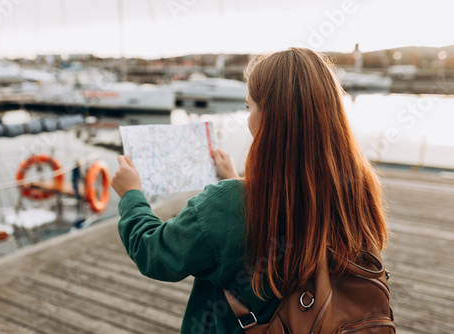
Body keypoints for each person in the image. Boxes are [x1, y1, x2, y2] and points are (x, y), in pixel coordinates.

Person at [111, 47, 389, 334]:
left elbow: (155, 252)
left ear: (270, 116)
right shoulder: (358, 187)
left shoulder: (228, 204)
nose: (248, 119)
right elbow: (288, 217)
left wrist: (132, 195)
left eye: (249, 107)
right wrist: (235, 178)